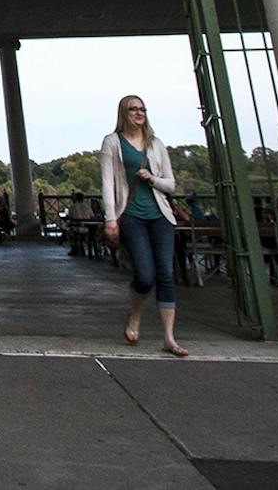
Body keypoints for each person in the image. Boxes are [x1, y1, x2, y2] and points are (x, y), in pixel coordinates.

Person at [100, 94, 189, 357]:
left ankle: (169, 337)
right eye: (133, 109)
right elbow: (107, 183)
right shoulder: (112, 142)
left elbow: (170, 184)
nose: (139, 113)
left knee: (165, 273)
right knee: (145, 275)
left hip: (160, 215)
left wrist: (152, 179)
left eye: (142, 109)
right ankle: (135, 312)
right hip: (131, 215)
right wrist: (110, 219)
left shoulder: (156, 144)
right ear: (123, 113)